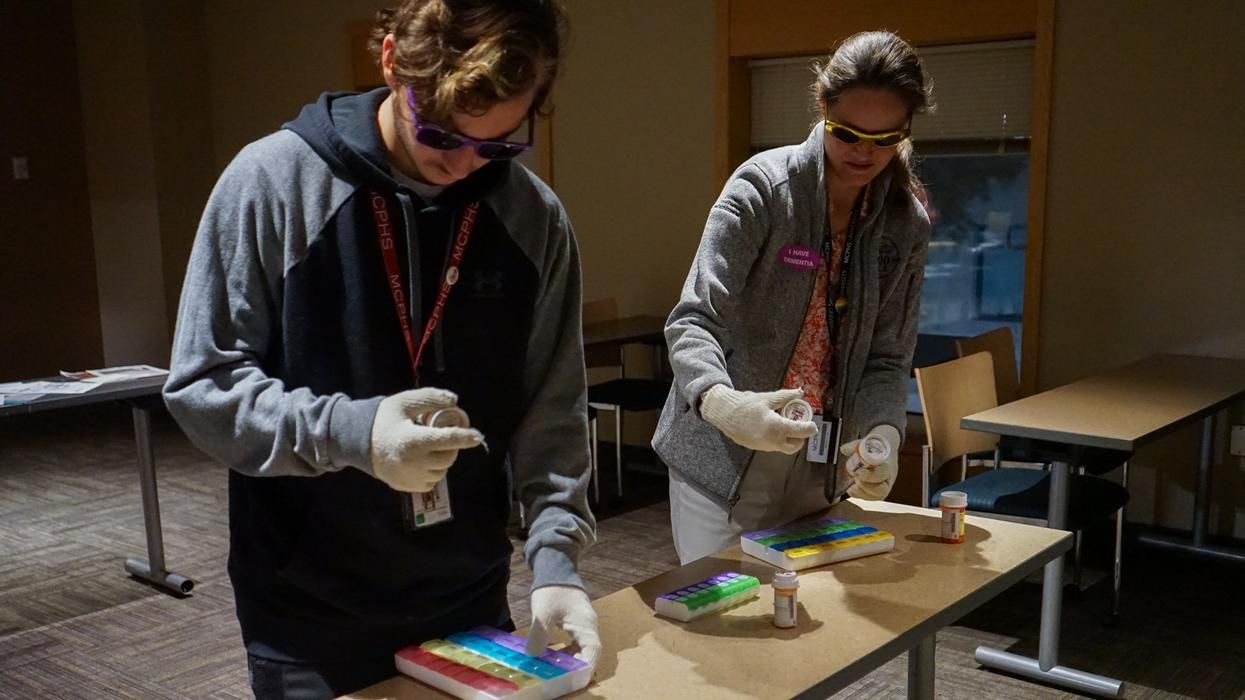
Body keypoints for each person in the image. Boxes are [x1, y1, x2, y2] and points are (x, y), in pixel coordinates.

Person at [163, 2, 598, 697]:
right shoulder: (273, 182)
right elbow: (202, 386)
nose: (461, 166)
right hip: (308, 606)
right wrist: (354, 434)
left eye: (496, 144)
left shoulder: (531, 217)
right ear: (392, 61)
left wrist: (555, 562)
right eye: (440, 133)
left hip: (465, 594)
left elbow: (552, 411)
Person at [653, 31, 934, 564]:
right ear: (822, 109)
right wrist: (723, 403)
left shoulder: (904, 223)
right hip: (724, 452)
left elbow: (888, 355)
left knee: (808, 627)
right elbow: (694, 320)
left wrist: (882, 435)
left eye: (884, 139)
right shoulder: (762, 190)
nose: (864, 153)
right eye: (847, 133)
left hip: (821, 462)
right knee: (731, 618)